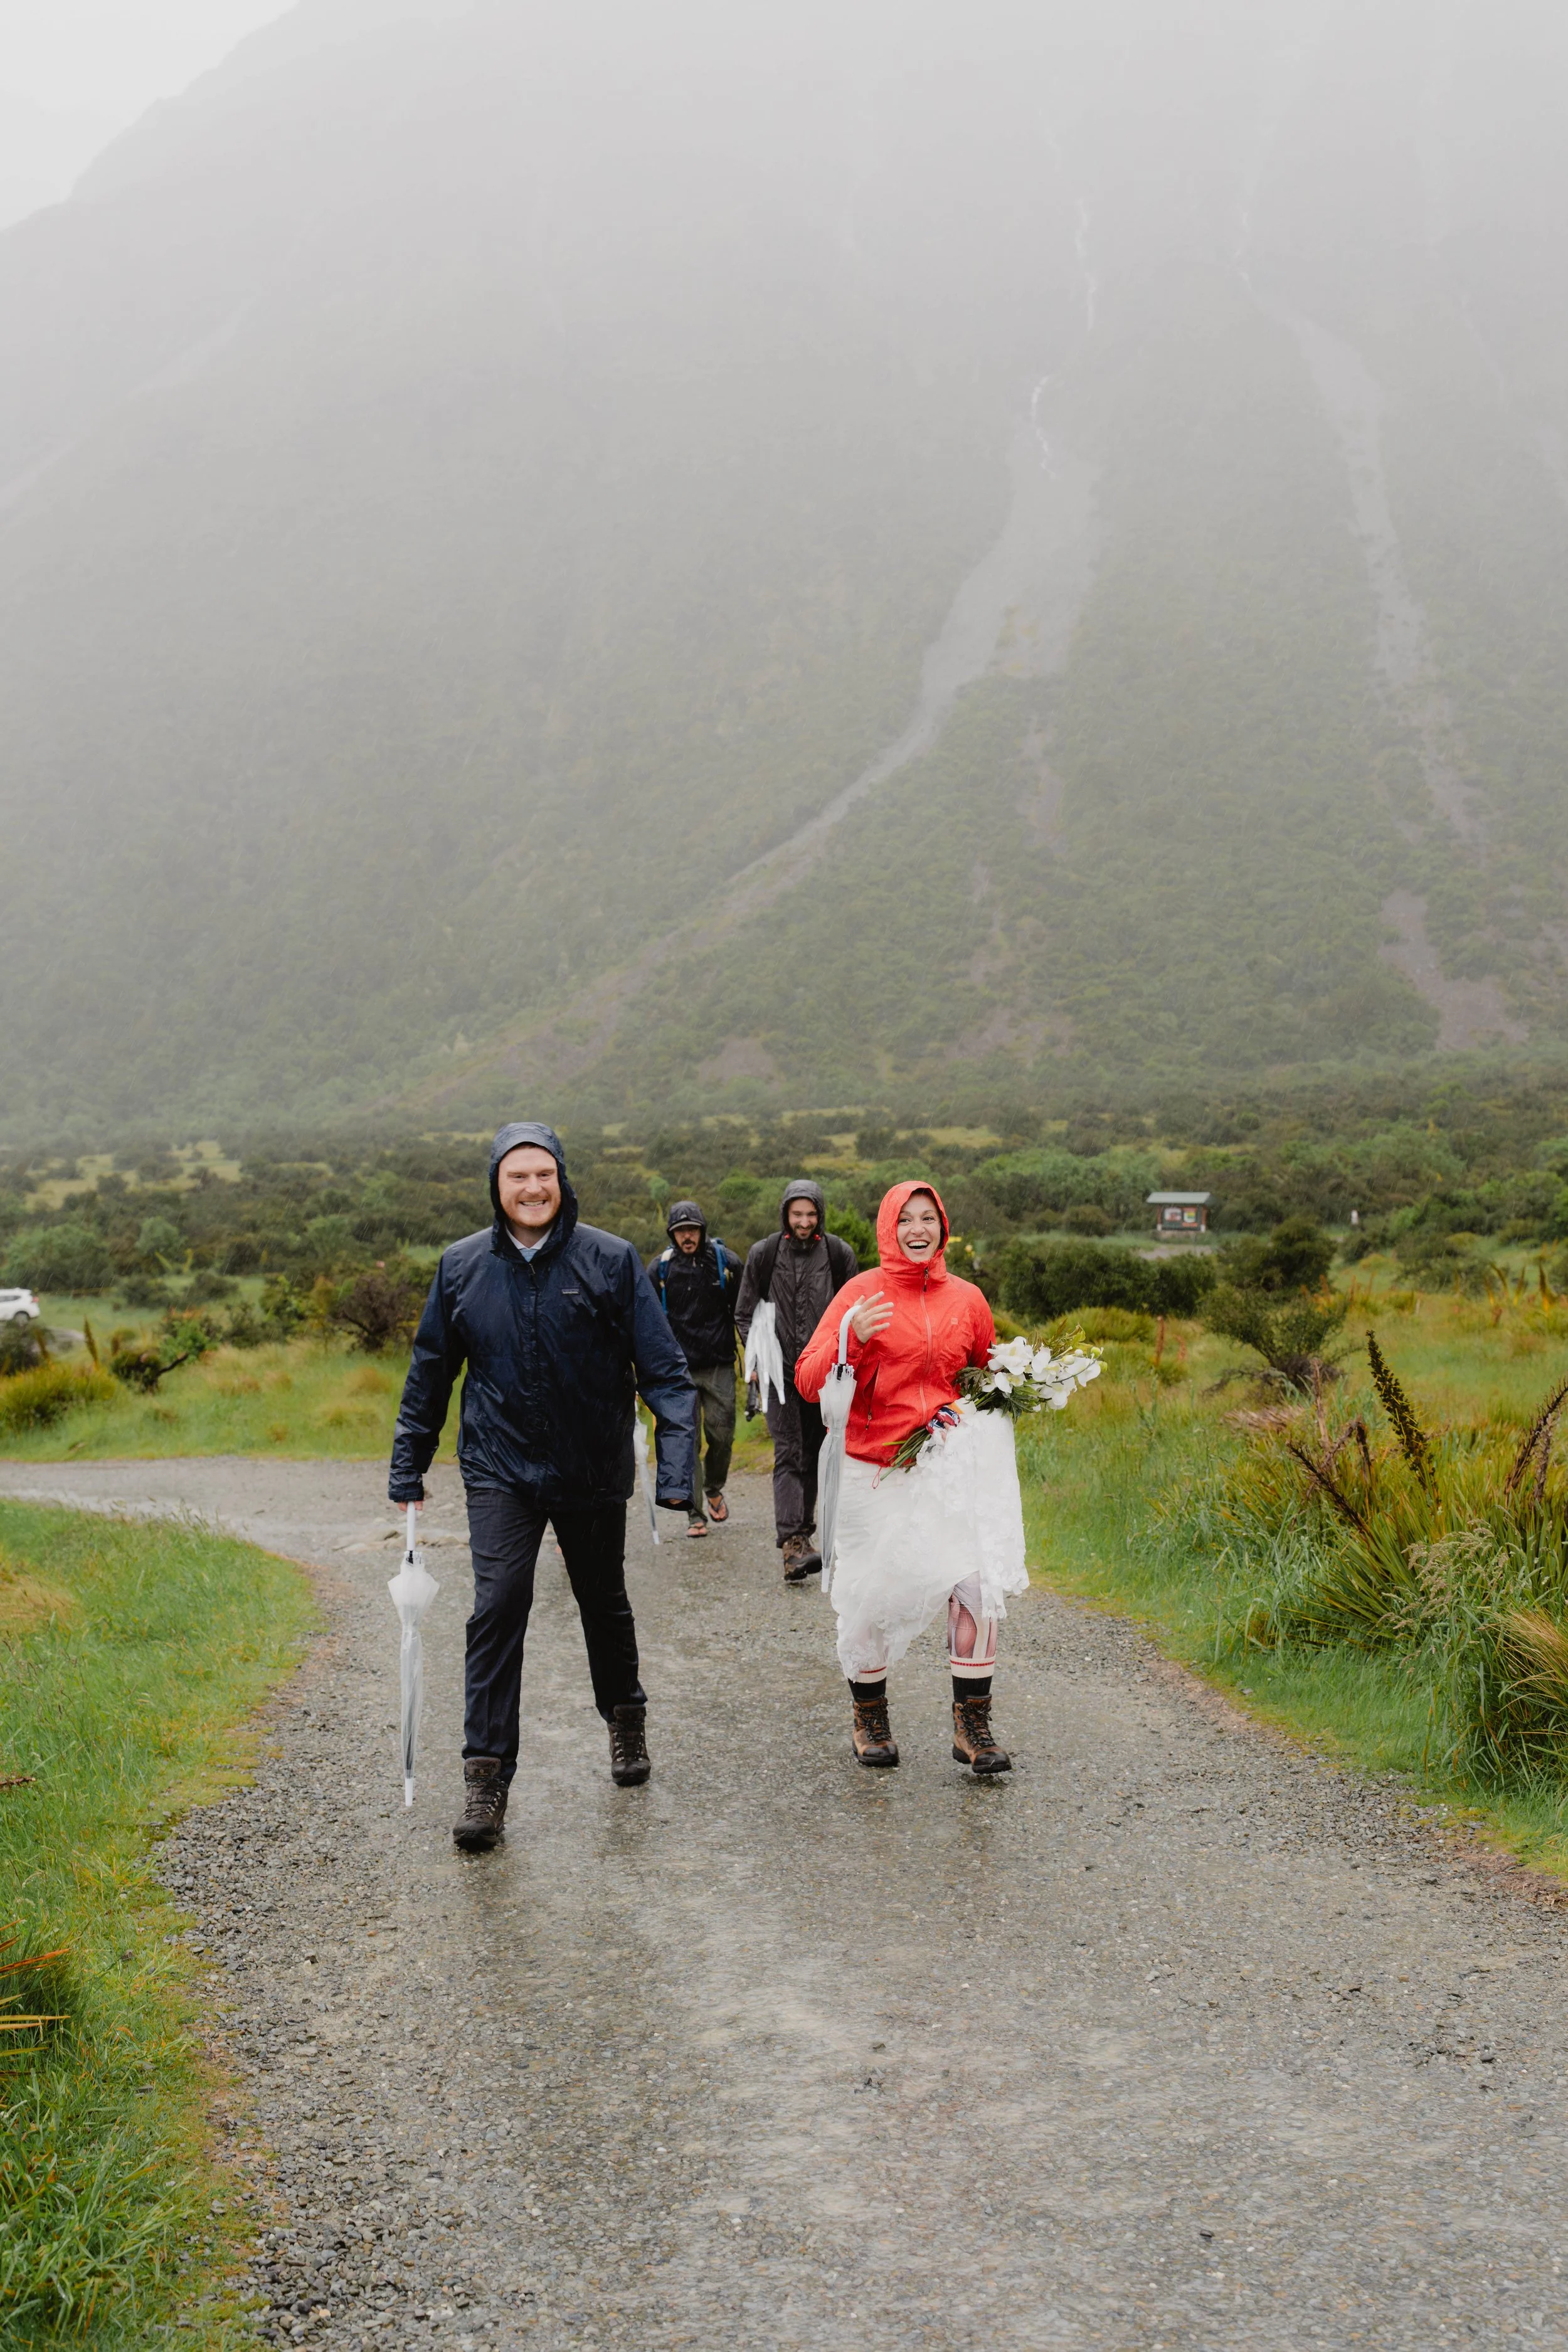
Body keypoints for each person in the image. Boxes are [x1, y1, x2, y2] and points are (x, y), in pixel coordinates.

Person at [388, 1121, 696, 1853]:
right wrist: (409, 1464)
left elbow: (664, 1371)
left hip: (591, 1468)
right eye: (517, 1177)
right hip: (500, 1469)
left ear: (562, 1181)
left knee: (602, 1599)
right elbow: (432, 1370)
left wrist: (676, 1475)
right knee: (497, 1605)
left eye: (544, 1176)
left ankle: (624, 1716)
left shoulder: (611, 1260)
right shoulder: (461, 1266)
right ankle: (486, 1775)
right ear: (496, 1186)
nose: (532, 1189)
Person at [793, 1181, 1022, 1777]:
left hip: (943, 1470)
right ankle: (870, 1717)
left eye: (929, 1218)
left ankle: (972, 1725)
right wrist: (853, 1339)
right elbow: (808, 1380)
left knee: (976, 1585)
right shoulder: (860, 1293)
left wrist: (993, 1396)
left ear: (943, 1226)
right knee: (870, 1597)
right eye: (907, 1220)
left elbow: (981, 1376)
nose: (918, 1230)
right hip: (872, 1471)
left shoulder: (968, 1298)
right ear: (888, 1228)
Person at [734, 1179, 858, 1581]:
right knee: (789, 1452)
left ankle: (803, 1536)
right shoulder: (764, 1254)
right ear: (786, 1214)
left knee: (817, 1454)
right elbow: (744, 1312)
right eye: (796, 1214)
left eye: (810, 1214)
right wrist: (756, 1357)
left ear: (820, 1214)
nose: (804, 1222)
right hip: (778, 1374)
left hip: (824, 1374)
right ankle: (792, 1544)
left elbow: (852, 1317)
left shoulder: (839, 1256)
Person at [646, 1199, 741, 1537]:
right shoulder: (659, 1269)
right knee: (689, 1443)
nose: (688, 1236)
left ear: (703, 1231)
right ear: (672, 1235)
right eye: (681, 1231)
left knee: (722, 1436)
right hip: (679, 1370)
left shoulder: (725, 1263)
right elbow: (649, 1321)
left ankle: (714, 1487)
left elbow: (742, 1309)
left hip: (719, 1364)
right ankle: (695, 1515)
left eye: (693, 1230)